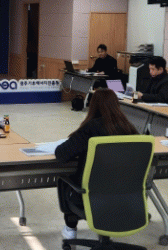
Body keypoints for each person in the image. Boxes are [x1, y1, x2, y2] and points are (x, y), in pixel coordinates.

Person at [55, 88, 138, 240]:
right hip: (125, 198)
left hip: (92, 199)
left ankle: (70, 228)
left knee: (65, 181)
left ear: (93, 106)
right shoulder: (130, 128)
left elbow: (61, 155)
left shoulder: (91, 128)